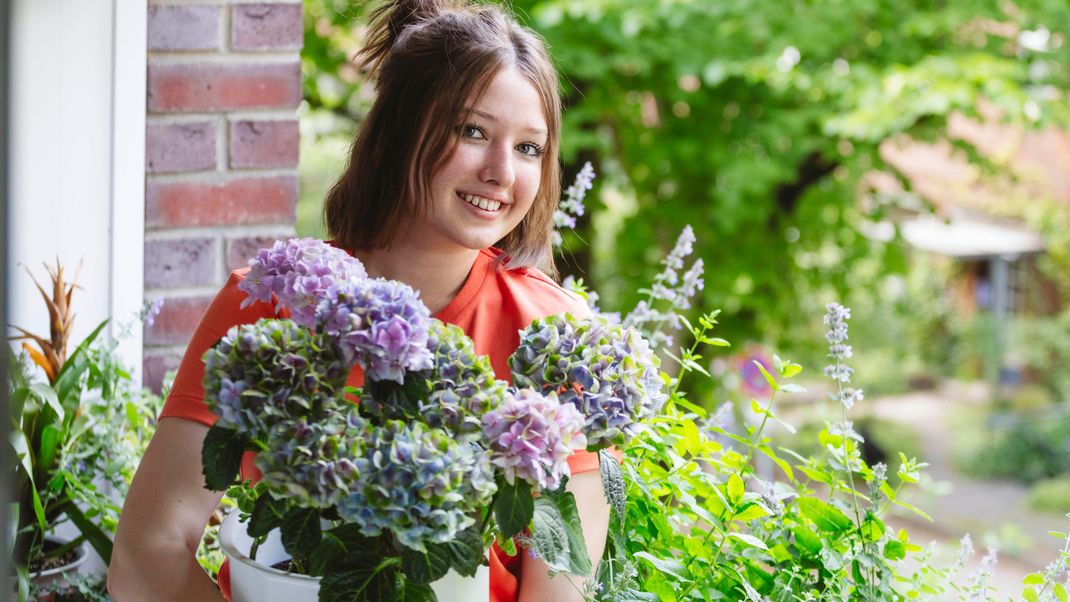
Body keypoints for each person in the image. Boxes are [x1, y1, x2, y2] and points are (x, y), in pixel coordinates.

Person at [107, 1, 610, 600]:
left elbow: (560, 590)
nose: (502, 171)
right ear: (400, 131)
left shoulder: (556, 339)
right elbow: (146, 555)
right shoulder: (270, 301)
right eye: (472, 131)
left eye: (529, 147)